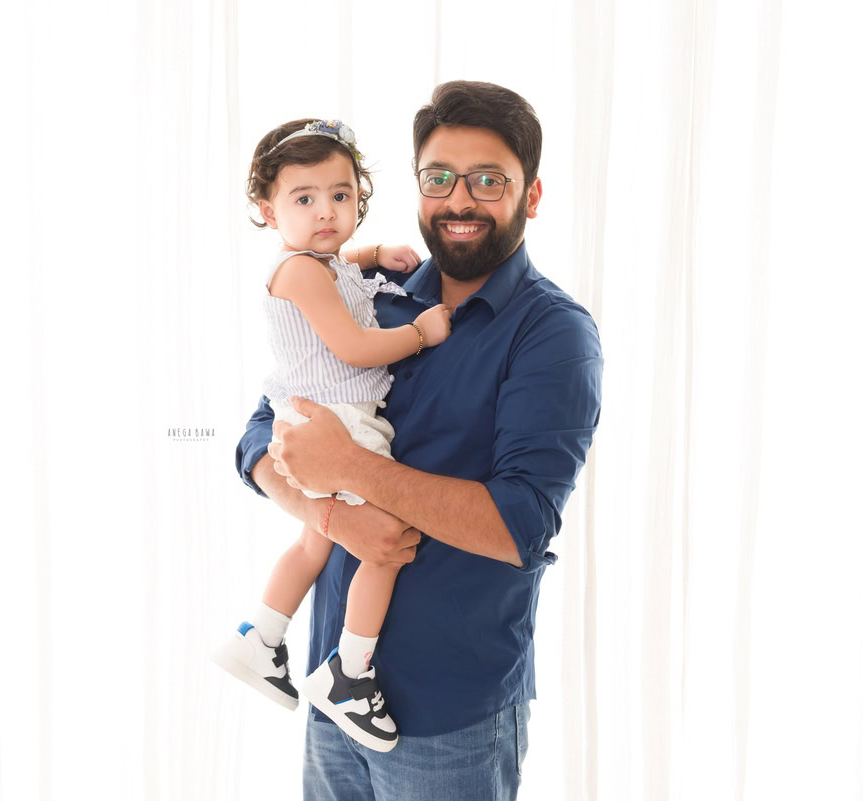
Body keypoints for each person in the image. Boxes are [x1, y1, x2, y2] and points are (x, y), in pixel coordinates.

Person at [236, 81, 603, 801]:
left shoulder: (554, 335)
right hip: (332, 690)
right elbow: (261, 431)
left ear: (530, 196)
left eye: (488, 180)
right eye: (439, 178)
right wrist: (329, 513)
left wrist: (349, 469)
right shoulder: (376, 287)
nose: (459, 200)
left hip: (450, 717)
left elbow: (518, 524)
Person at [212, 117, 453, 754]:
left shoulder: (319, 263)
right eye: (305, 198)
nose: (326, 212)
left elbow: (340, 263)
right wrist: (419, 335)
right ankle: (350, 671)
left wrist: (372, 256)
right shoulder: (297, 273)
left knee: (315, 540)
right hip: (337, 422)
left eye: (341, 196)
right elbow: (353, 347)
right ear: (268, 210)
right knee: (385, 545)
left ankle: (261, 637)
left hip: (316, 415)